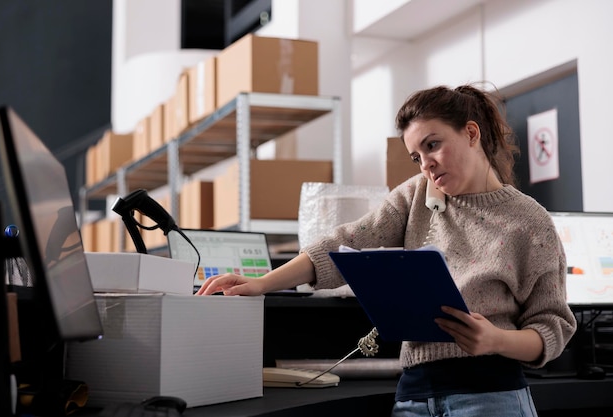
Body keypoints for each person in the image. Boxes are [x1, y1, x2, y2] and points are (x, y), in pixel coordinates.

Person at [197, 83, 578, 416]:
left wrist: (494, 339)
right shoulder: (415, 196)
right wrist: (262, 284)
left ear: (471, 133)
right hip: (414, 396)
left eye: (433, 146)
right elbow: (342, 244)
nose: (426, 165)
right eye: (416, 157)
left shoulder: (530, 221)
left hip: (491, 396)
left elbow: (552, 329)